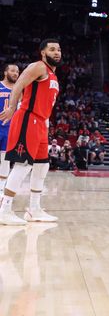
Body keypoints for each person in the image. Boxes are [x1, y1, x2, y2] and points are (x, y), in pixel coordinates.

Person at [0, 40, 61, 225]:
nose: (57, 52)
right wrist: (11, 108)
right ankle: (5, 209)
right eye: (52, 49)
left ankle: (34, 209)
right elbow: (18, 84)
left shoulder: (52, 74)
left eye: (58, 49)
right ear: (43, 52)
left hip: (42, 123)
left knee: (42, 166)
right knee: (23, 165)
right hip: (28, 118)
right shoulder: (38, 67)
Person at [0, 63, 20, 191]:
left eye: (17, 72)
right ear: (5, 72)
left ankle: (1, 189)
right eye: (12, 71)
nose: (15, 74)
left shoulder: (19, 90)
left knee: (5, 160)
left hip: (9, 129)